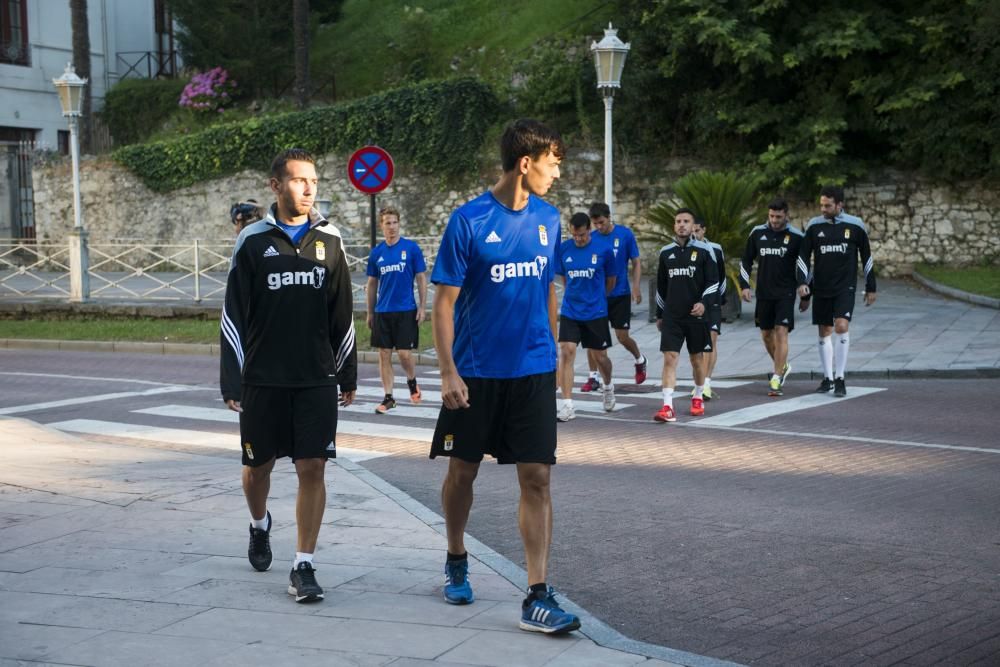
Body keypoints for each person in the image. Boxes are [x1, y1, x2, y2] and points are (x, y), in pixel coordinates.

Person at [430, 118, 581, 635]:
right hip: (475, 374)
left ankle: (537, 594)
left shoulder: (550, 219)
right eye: (553, 162)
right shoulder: (468, 221)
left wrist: (555, 348)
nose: (557, 174)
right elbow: (443, 304)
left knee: (537, 476)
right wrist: (448, 371)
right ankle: (455, 555)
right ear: (526, 163)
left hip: (533, 371)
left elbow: (546, 288)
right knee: (462, 474)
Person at [220, 148, 357, 604]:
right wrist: (232, 377)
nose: (309, 188)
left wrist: (348, 371)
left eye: (314, 180)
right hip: (263, 378)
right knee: (257, 469)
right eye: (299, 180)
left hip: (316, 377)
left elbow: (343, 312)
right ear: (275, 186)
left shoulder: (331, 240)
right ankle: (260, 526)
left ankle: (304, 564)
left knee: (312, 466)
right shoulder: (253, 241)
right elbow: (233, 314)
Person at [796, 185, 877, 397]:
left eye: (828, 205)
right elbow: (803, 256)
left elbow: (867, 257)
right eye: (821, 205)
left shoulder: (855, 225)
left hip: (845, 286)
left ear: (840, 205)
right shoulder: (814, 226)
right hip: (822, 286)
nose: (823, 209)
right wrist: (802, 283)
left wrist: (871, 286)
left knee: (841, 325)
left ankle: (840, 378)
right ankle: (828, 378)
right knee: (824, 331)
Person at [653, 208, 719, 422]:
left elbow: (713, 283)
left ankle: (698, 396)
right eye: (678, 221)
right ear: (674, 225)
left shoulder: (704, 251)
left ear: (693, 226)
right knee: (670, 358)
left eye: (686, 221)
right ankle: (667, 406)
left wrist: (703, 303)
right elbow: (661, 286)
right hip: (672, 316)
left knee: (696, 359)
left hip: (696, 316)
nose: (682, 224)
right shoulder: (666, 253)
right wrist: (659, 314)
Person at [739, 198, 807, 396]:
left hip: (786, 293)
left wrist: (804, 289)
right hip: (764, 293)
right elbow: (746, 261)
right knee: (766, 335)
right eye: (771, 216)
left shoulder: (797, 237)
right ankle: (782, 366)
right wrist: (744, 286)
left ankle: (776, 378)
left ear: (786, 215)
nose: (775, 220)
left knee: (781, 331)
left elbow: (803, 265)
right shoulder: (757, 233)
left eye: (778, 216)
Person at [365, 205, 428, 414]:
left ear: (399, 224)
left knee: (404, 354)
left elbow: (421, 278)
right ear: (381, 226)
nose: (392, 227)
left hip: (406, 309)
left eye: (395, 222)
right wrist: (370, 312)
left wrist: (422, 306)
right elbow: (372, 284)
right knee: (384, 353)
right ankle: (389, 397)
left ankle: (412, 382)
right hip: (383, 311)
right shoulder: (377, 253)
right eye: (387, 223)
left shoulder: (411, 248)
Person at [555, 212, 617, 422]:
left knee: (600, 357)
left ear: (589, 230)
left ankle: (608, 386)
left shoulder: (604, 250)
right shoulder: (564, 249)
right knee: (566, 351)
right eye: (574, 235)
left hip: (596, 312)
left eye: (581, 235)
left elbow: (611, 280)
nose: (578, 239)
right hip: (571, 310)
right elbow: (564, 277)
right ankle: (567, 405)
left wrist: (598, 298)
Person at [580, 202, 648, 391]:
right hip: (598, 296)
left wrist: (636, 287)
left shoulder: (625, 235)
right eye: (595, 224)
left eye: (601, 222)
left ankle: (640, 359)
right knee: (593, 338)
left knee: (622, 337)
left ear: (609, 217)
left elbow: (636, 262)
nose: (599, 227)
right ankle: (593, 377)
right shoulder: (591, 238)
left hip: (620, 294)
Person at [690, 218, 725, 400]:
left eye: (697, 230)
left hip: (713, 301)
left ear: (704, 230)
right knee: (698, 343)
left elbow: (722, 274)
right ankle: (699, 380)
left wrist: (720, 298)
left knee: (711, 339)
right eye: (692, 230)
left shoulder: (716, 248)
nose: (694, 233)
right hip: (695, 301)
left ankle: (707, 383)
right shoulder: (687, 250)